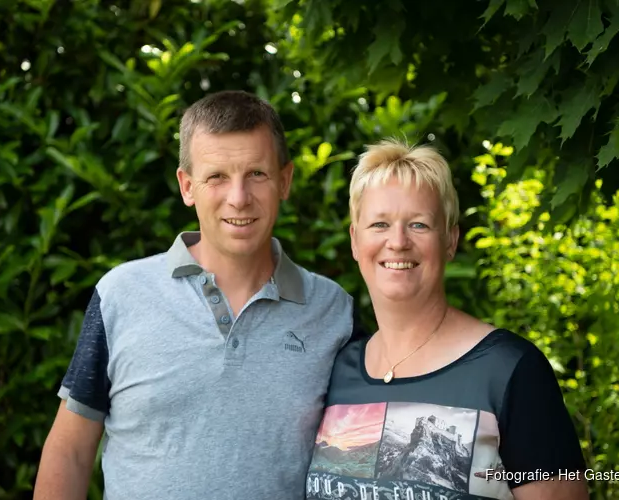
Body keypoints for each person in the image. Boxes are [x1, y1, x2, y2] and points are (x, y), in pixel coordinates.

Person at [34, 90, 356, 499]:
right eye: (216, 176)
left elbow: (358, 460)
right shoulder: (121, 295)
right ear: (187, 186)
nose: (238, 197)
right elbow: (70, 451)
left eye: (256, 173)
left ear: (285, 180)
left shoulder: (333, 311)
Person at [305, 139, 589, 500]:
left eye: (419, 225)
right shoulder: (337, 370)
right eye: (379, 224)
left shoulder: (511, 371)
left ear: (451, 240)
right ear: (355, 241)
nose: (397, 241)